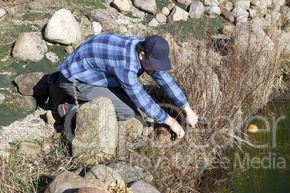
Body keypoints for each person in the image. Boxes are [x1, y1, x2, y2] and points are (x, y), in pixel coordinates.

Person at [54, 33, 198, 138]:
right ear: (142, 55)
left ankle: (58, 85)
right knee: (127, 111)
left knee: (128, 99)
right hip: (75, 81)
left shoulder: (143, 46)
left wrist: (187, 109)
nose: (157, 70)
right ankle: (70, 108)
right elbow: (141, 99)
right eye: (155, 66)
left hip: (92, 72)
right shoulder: (126, 65)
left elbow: (164, 79)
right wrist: (171, 122)